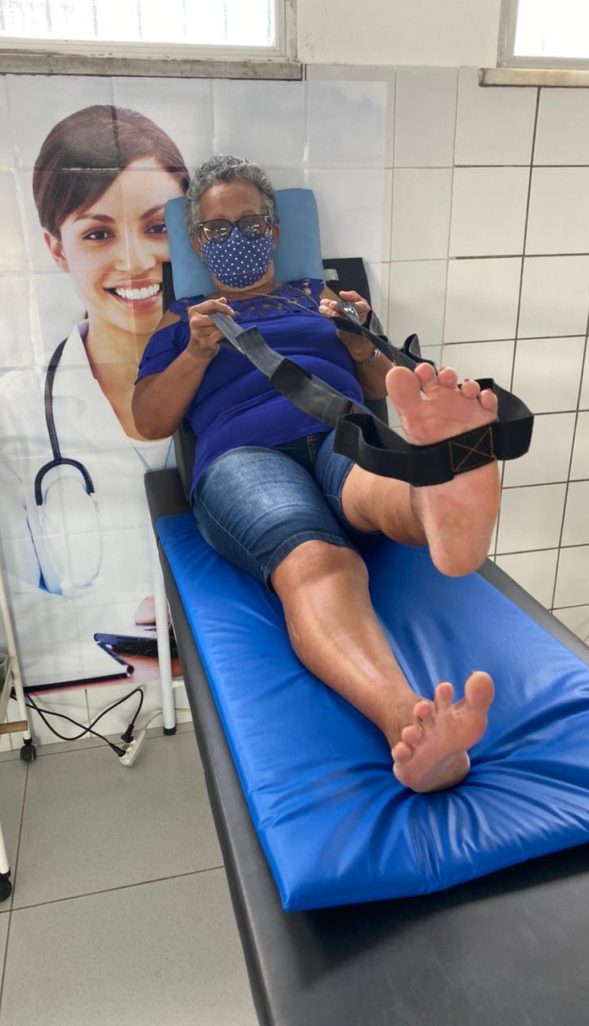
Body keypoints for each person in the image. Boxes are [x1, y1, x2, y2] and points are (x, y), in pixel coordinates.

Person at [132, 155, 501, 793]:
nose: (236, 238)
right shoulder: (182, 320)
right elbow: (149, 420)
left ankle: (436, 505)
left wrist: (361, 344)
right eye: (217, 229)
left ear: (274, 231)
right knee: (318, 560)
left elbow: (379, 388)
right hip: (242, 457)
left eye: (250, 224)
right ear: (196, 242)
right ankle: (407, 721)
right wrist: (195, 352)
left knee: (372, 483)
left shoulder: (321, 298)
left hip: (339, 427)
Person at [0, 106, 188, 683]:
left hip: (235, 674)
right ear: (57, 249)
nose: (136, 260)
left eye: (158, 227)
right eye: (98, 234)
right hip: (85, 701)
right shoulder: (2, 417)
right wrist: (126, 631)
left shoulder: (243, 384)